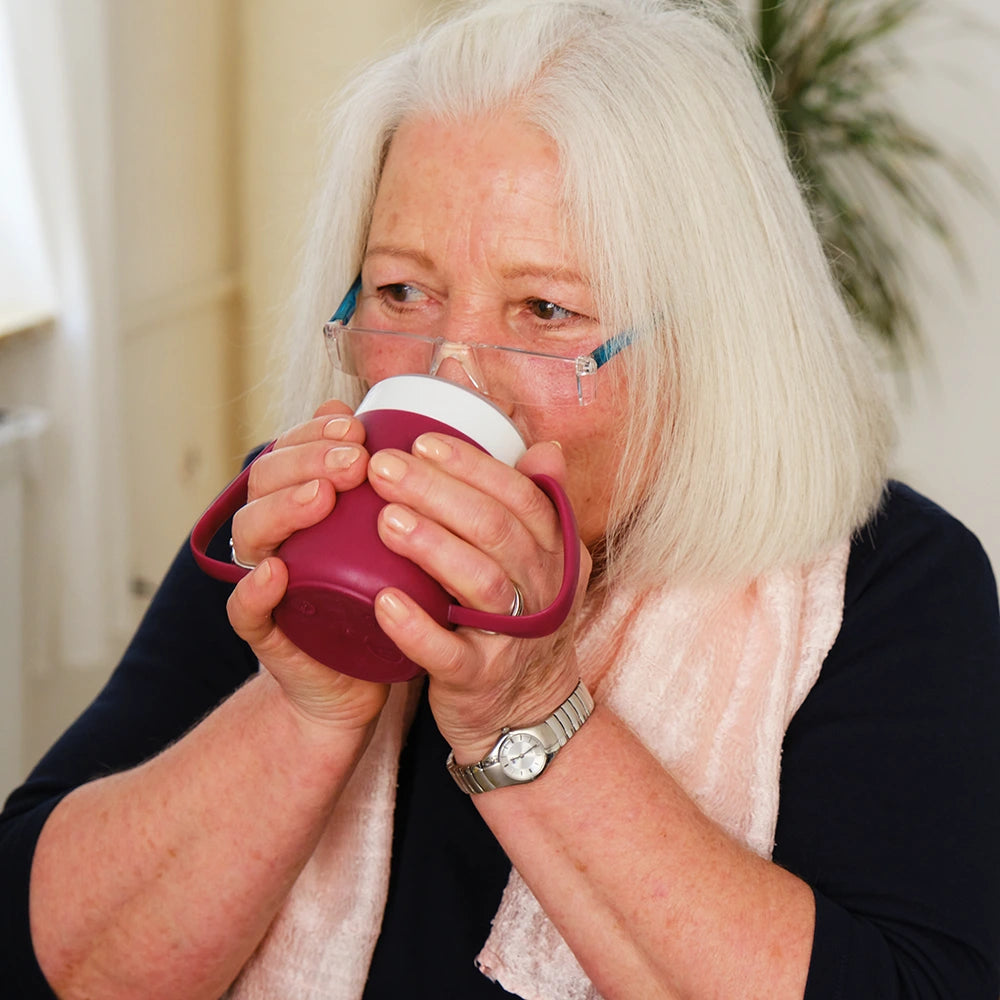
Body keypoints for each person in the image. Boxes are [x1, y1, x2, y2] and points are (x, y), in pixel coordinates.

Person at [2, 0, 999, 996]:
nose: (455, 379)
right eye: (400, 293)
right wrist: (305, 709)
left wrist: (528, 713)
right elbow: (42, 956)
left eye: (547, 310)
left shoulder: (889, 588)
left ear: (712, 338)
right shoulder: (299, 520)